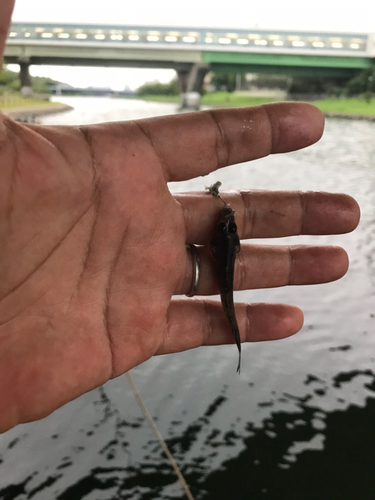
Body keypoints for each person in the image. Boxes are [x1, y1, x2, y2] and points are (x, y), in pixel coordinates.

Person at [0, 0, 360, 434]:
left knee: (230, 299)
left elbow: (225, 243)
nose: (226, 226)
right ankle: (239, 340)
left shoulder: (219, 239)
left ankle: (238, 338)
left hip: (220, 263)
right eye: (228, 228)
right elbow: (224, 242)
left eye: (227, 228)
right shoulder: (219, 238)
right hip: (219, 264)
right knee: (229, 301)